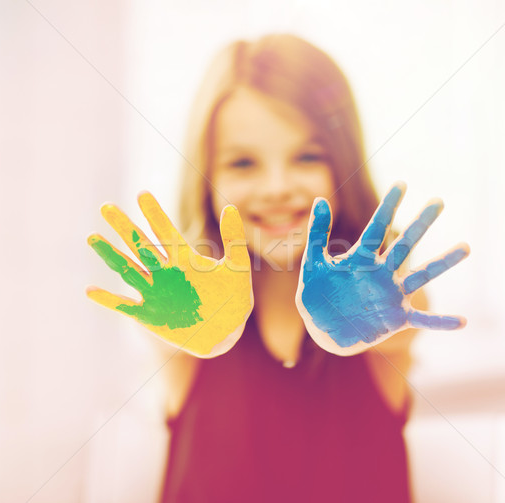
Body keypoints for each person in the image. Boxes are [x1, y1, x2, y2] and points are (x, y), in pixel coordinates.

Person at [88, 33, 468, 502]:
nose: (277, 187)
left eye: (307, 156)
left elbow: (398, 329)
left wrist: (341, 329)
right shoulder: (184, 320)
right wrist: (200, 331)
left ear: (343, 161)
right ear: (206, 177)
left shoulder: (388, 309)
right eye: (243, 162)